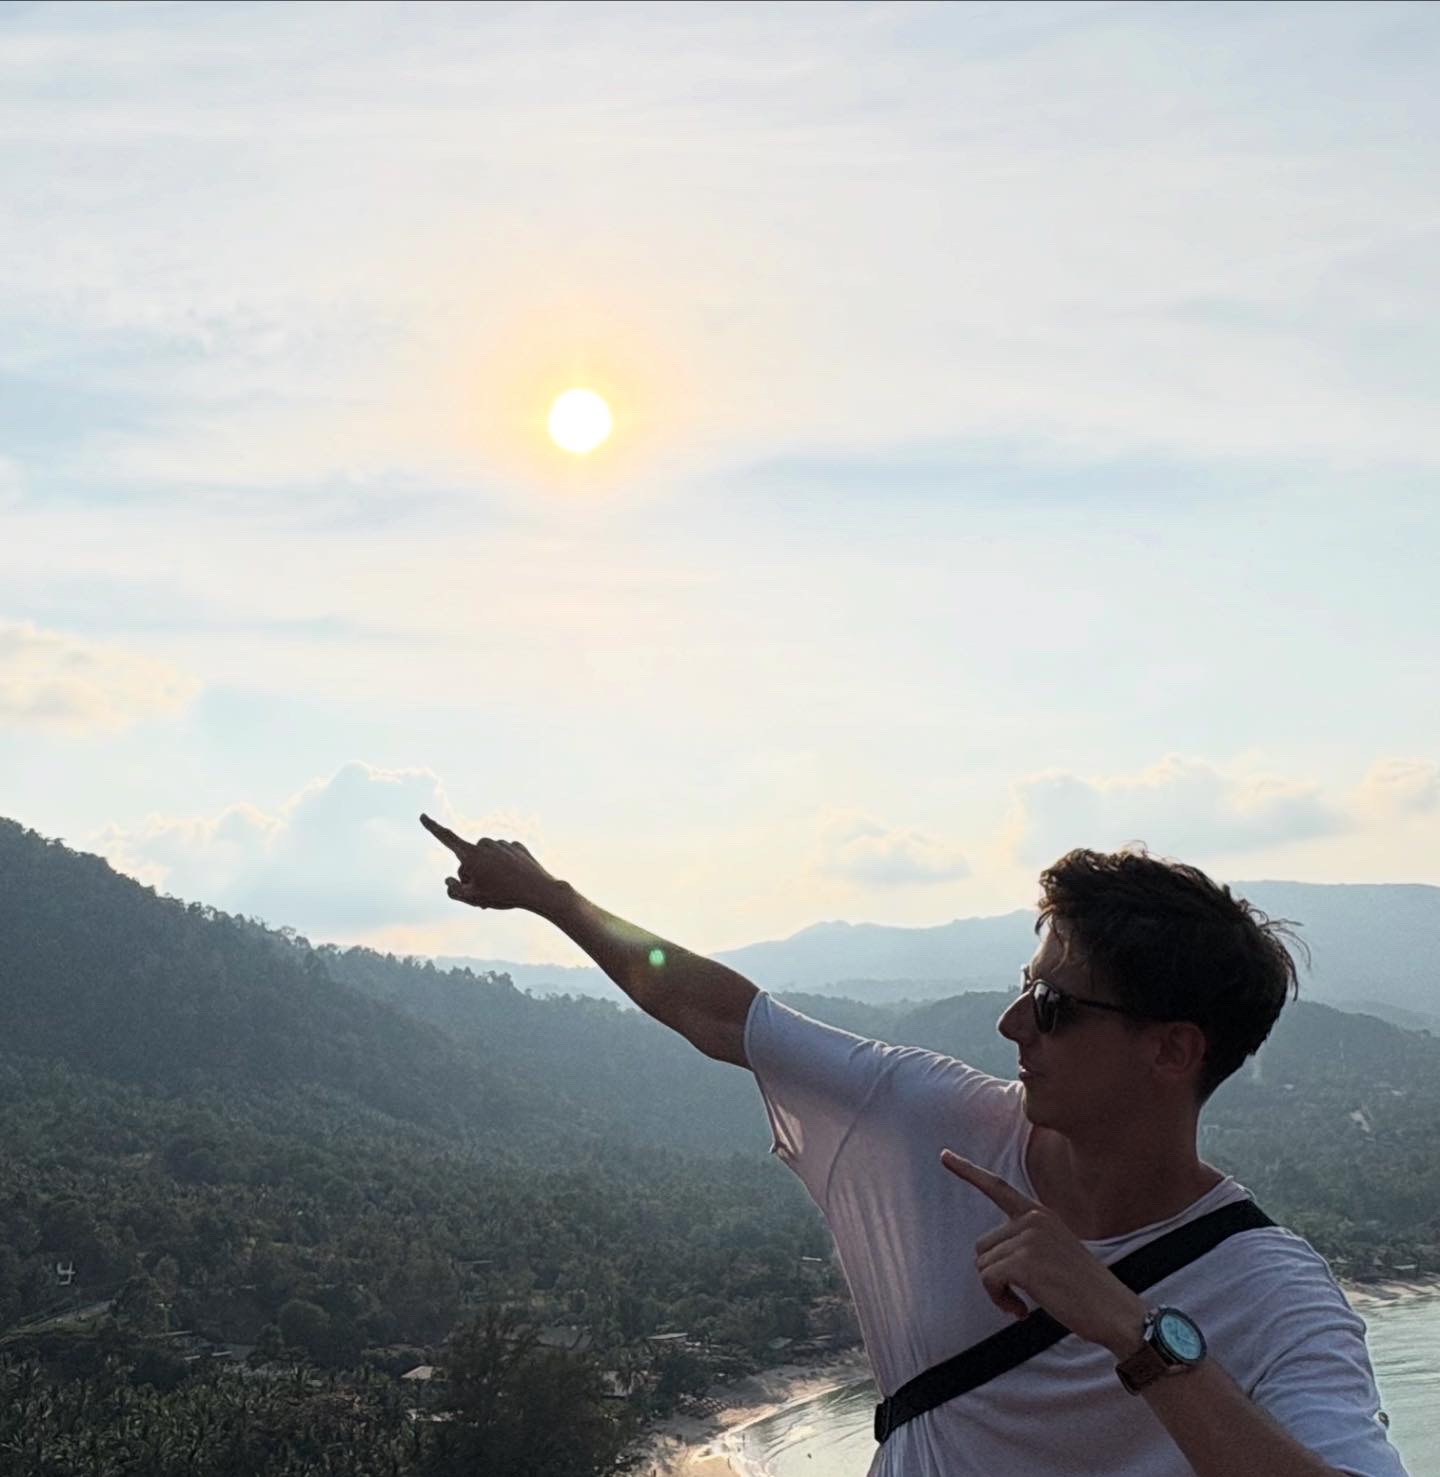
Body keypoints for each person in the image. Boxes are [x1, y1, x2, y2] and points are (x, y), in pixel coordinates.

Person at [420, 817, 1408, 1477]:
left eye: (1055, 1005)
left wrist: (1133, 1331)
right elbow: (722, 1015)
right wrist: (550, 896)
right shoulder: (935, 1122)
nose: (1011, 1021)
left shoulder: (1275, 1294)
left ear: (1173, 1050)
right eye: (1026, 983)